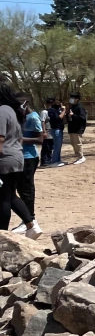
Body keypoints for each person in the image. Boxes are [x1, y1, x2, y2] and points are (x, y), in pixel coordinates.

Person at [0, 84, 37, 234]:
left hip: (4, 160)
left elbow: (0, 139)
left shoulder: (2, 111)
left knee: (2, 199)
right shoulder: (12, 111)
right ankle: (31, 225)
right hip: (16, 157)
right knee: (10, 195)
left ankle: (2, 234)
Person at [15, 93, 44, 238]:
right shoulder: (21, 118)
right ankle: (26, 219)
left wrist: (21, 139)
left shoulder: (33, 117)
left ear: (25, 104)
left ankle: (31, 218)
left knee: (26, 189)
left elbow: (40, 139)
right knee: (20, 188)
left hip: (29, 157)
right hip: (21, 156)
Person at [65, 92, 88, 164]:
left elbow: (83, 118)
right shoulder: (71, 107)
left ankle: (81, 157)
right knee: (73, 143)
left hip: (78, 128)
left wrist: (73, 115)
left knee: (78, 143)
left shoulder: (80, 107)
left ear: (77, 99)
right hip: (71, 127)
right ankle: (78, 156)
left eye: (72, 98)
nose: (71, 99)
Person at [39, 102, 54, 167]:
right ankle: (44, 161)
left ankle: (49, 160)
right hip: (47, 132)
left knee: (51, 147)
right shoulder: (44, 112)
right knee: (46, 147)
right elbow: (43, 122)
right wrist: (44, 131)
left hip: (52, 132)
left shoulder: (53, 112)